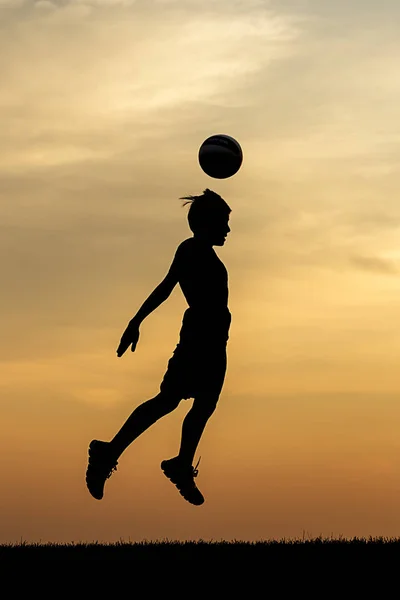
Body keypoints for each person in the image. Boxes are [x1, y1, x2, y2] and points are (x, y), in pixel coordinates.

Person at [85, 189, 232, 506]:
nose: (228, 230)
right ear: (208, 222)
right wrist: (136, 321)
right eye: (224, 222)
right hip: (198, 341)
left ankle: (179, 463)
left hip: (215, 344)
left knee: (204, 405)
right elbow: (166, 287)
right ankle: (107, 452)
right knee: (167, 402)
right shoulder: (190, 250)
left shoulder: (208, 257)